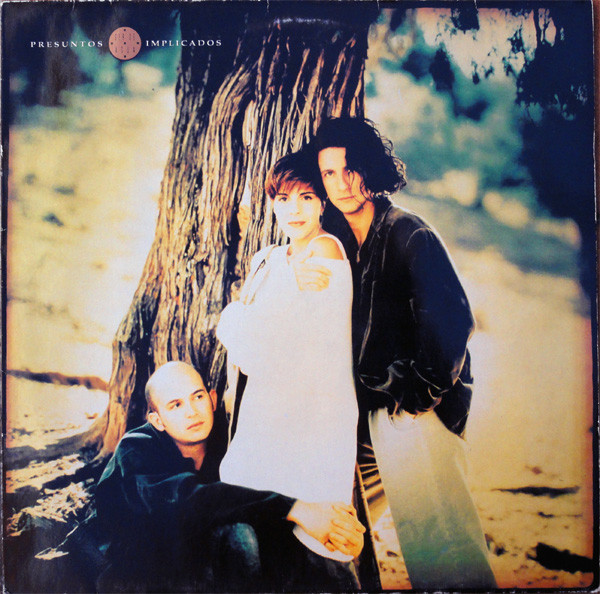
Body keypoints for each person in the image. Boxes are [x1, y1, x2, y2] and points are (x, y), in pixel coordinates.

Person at [297, 116, 497, 590]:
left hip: (413, 408)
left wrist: (417, 398)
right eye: (329, 173)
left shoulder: (409, 232)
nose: (342, 183)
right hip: (364, 410)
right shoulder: (333, 239)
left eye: (351, 170)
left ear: (370, 168)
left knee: (442, 542)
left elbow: (453, 321)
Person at [216, 150, 361, 585]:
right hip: (267, 413)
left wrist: (237, 320)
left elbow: (269, 349)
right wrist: (240, 320)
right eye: (283, 199)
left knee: (316, 547)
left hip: (313, 417)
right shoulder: (268, 259)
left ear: (322, 204)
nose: (293, 210)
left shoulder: (325, 251)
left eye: (306, 197)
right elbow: (246, 340)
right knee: (263, 532)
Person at [94, 361, 364, 592]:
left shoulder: (229, 439)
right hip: (139, 574)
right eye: (176, 405)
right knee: (240, 535)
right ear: (157, 420)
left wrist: (336, 529)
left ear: (212, 399)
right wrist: (296, 508)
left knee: (307, 549)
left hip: (207, 561)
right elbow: (189, 501)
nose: (191, 411)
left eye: (198, 397)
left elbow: (260, 494)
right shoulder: (137, 448)